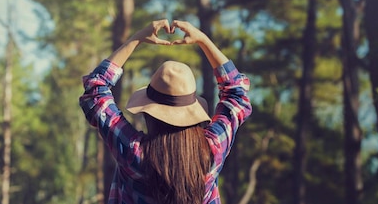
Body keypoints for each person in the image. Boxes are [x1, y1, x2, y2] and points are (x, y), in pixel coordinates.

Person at [79, 19, 252, 204]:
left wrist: (136, 39)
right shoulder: (211, 152)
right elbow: (236, 94)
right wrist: (203, 40)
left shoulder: (133, 153)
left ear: (148, 113)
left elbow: (96, 91)